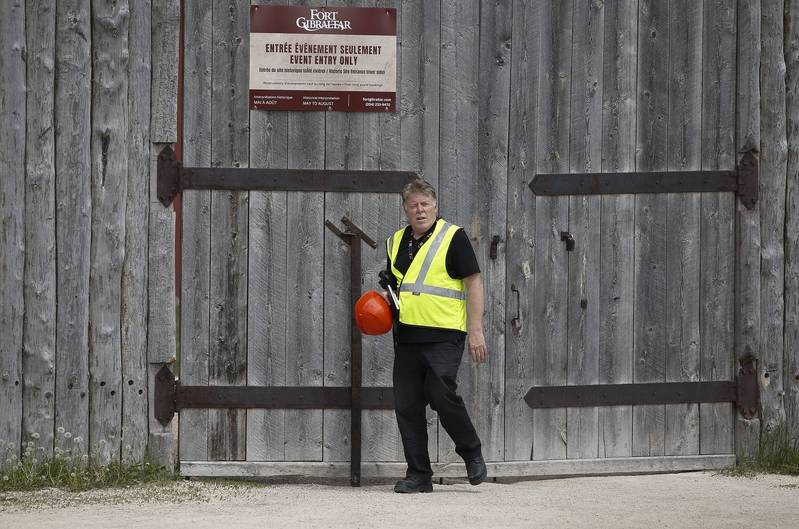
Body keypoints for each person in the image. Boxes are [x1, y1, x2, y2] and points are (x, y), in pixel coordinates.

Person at [382, 178, 487, 494]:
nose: (419, 210)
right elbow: (401, 286)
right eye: (413, 205)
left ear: (435, 206)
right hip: (408, 337)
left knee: (442, 393)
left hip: (444, 334)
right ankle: (419, 475)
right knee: (408, 405)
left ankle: (471, 452)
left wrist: (476, 330)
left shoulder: (453, 238)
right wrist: (387, 292)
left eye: (425, 204)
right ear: (405, 209)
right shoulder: (396, 242)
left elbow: (474, 284)